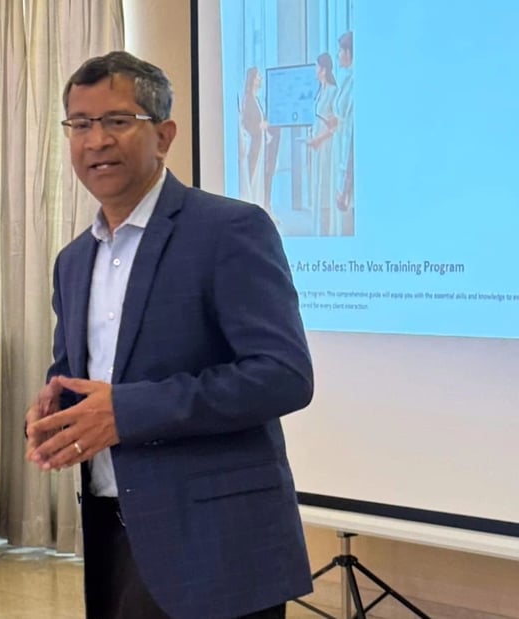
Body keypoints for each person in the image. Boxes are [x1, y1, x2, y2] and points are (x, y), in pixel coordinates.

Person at [25, 51, 314, 619]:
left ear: (164, 135)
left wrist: (127, 412)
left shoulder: (229, 229)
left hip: (217, 541)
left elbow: (283, 376)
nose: (96, 141)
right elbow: (81, 378)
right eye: (80, 124)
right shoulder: (74, 260)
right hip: (113, 530)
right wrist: (54, 411)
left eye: (117, 120)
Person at [307, 53, 338, 235]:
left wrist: (319, 138)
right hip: (317, 145)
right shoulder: (320, 90)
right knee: (317, 185)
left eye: (317, 66)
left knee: (326, 185)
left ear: (324, 69)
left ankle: (327, 229)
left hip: (327, 145)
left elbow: (335, 125)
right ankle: (318, 229)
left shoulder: (333, 91)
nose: (315, 70)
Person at [330, 31, 354, 235]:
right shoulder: (346, 78)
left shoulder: (355, 83)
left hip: (349, 159)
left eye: (340, 50)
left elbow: (351, 137)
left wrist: (344, 184)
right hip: (341, 150)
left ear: (348, 52)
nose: (338, 55)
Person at [239, 67, 269, 214]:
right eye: (258, 76)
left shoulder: (256, 99)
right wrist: (259, 126)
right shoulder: (248, 100)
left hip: (260, 143)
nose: (260, 79)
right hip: (253, 144)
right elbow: (246, 123)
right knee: (253, 175)